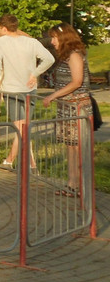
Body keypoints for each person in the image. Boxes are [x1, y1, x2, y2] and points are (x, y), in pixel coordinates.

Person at [0, 14, 54, 169]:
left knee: (21, 128)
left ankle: (30, 164)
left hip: (12, 91)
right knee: (23, 127)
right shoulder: (31, 42)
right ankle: (13, 161)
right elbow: (49, 59)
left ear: (3, 28)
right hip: (30, 90)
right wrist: (35, 73)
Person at [41, 23, 92, 198]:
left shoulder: (75, 56)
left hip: (77, 107)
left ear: (64, 38)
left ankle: (82, 186)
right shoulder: (65, 57)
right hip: (67, 108)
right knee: (70, 146)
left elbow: (77, 82)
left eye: (54, 37)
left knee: (78, 147)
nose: (52, 41)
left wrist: (53, 96)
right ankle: (72, 184)